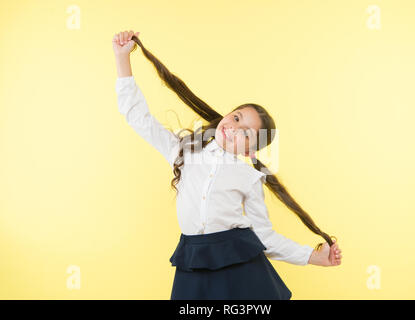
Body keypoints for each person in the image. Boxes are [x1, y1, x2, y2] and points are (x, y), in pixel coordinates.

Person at [112, 30, 342, 300]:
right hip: (193, 262)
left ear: (250, 150)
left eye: (246, 133)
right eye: (235, 118)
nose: (233, 129)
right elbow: (139, 118)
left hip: (240, 268)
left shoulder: (249, 176)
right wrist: (122, 59)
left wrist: (314, 257)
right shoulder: (183, 152)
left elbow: (265, 236)